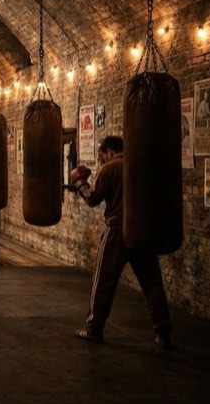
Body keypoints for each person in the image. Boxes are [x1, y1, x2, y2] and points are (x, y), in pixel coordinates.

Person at [70, 135, 173, 349]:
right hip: (142, 231)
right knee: (152, 283)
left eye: (102, 156)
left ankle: (94, 330)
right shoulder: (142, 165)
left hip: (117, 231)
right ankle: (163, 333)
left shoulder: (111, 168)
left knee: (103, 281)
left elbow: (93, 199)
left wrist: (80, 184)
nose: (102, 160)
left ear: (109, 152)